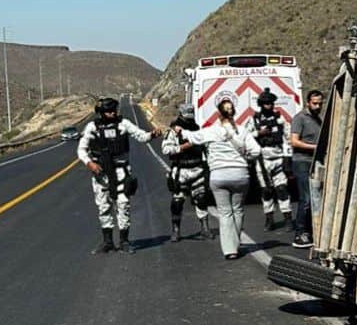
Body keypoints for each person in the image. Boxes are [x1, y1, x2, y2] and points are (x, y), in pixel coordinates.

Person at [168, 98, 260, 259]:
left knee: (225, 213)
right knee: (238, 209)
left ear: (219, 114)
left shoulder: (210, 131)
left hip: (219, 175)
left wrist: (180, 131)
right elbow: (256, 151)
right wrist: (246, 159)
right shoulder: (242, 131)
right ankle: (236, 241)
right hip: (240, 174)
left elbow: (193, 136)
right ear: (234, 113)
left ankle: (230, 250)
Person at [77, 96, 162, 255]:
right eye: (108, 111)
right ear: (101, 112)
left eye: (113, 110)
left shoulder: (123, 124)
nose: (112, 113)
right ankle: (108, 242)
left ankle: (124, 241)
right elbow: (81, 150)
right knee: (103, 206)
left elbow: (141, 136)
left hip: (121, 170)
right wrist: (90, 164)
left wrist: (152, 134)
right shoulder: (92, 127)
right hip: (101, 173)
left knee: (123, 205)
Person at [162, 103, 212, 242]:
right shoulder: (173, 131)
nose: (189, 119)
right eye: (186, 116)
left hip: (197, 169)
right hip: (181, 171)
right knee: (177, 202)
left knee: (201, 199)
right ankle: (176, 230)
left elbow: (205, 148)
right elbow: (166, 149)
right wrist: (182, 147)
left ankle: (205, 228)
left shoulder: (197, 129)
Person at [246, 88, 293, 232]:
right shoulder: (254, 120)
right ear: (261, 104)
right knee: (266, 191)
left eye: (271, 103)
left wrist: (287, 157)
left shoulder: (280, 119)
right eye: (266, 103)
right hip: (262, 159)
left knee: (282, 189)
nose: (269, 106)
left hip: (278, 157)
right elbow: (245, 137)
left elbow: (288, 138)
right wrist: (258, 133)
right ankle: (269, 218)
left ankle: (287, 218)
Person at [289, 89, 324, 248]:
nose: (318, 106)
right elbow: (294, 141)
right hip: (302, 161)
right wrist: (315, 147)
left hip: (315, 162)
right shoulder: (300, 118)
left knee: (315, 197)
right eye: (315, 103)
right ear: (308, 103)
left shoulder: (318, 120)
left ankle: (310, 230)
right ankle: (300, 233)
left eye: (320, 104)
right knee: (306, 198)